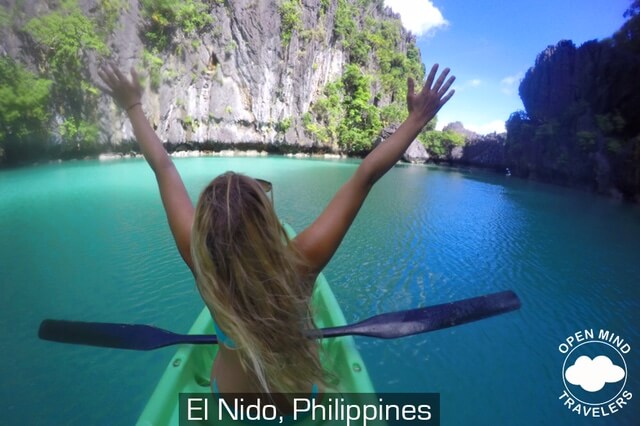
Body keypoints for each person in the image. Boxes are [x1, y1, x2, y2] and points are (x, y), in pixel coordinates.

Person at [98, 62, 455, 398]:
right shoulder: (301, 262)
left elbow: (163, 168)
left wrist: (132, 104)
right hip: (299, 399)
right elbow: (366, 175)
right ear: (266, 223)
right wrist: (418, 119)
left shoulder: (199, 258)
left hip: (228, 400)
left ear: (205, 229)